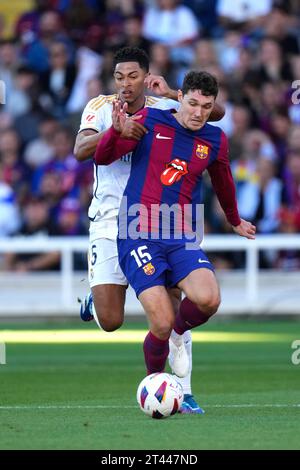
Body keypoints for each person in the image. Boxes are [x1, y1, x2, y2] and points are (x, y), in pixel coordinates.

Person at [74, 47, 224, 414]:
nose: (126, 84)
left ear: (146, 77)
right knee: (111, 321)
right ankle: (97, 296)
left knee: (174, 310)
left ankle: (183, 391)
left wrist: (175, 93)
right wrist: (116, 131)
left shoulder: (162, 106)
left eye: (133, 77)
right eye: (120, 77)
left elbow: (216, 113)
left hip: (162, 218)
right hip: (112, 218)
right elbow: (80, 150)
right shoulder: (100, 106)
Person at [93, 70, 256, 383]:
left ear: (213, 108)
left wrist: (234, 220)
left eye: (206, 107)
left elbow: (224, 182)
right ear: (180, 97)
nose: (198, 113)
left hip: (180, 234)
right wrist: (114, 133)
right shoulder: (151, 121)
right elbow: (102, 157)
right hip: (138, 231)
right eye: (192, 103)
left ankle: (179, 335)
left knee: (209, 299)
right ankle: (155, 383)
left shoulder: (215, 140)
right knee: (161, 320)